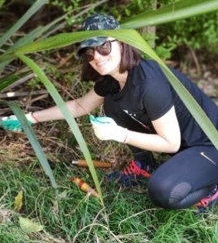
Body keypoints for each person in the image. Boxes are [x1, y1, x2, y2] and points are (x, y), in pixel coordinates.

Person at [2, 13, 218, 212]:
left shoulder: (149, 82)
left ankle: (212, 188)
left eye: (103, 46)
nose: (97, 56)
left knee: (163, 192)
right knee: (113, 105)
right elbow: (79, 106)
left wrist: (119, 134)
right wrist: (28, 118)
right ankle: (144, 166)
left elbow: (171, 142)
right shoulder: (113, 82)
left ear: (122, 42)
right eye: (89, 52)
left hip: (210, 145)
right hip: (184, 147)